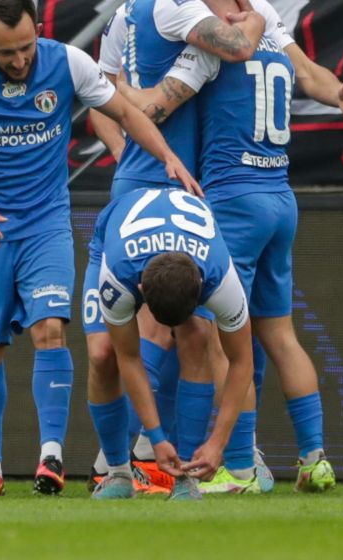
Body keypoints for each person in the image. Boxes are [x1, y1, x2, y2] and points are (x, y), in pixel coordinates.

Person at [0, 0, 198, 498]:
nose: (19, 60)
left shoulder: (69, 62)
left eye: (26, 47)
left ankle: (50, 458)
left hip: (46, 223)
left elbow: (126, 112)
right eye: (6, 52)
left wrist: (166, 156)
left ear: (38, 32)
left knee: (50, 329)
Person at [115, 0, 343, 493]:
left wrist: (114, 86)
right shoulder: (274, 45)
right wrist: (338, 94)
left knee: (222, 342)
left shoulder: (214, 51)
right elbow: (312, 75)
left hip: (233, 203)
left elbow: (152, 109)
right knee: (280, 334)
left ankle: (241, 467)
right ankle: (314, 458)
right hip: (280, 198)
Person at [79, 0, 266, 494]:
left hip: (146, 181)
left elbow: (107, 99)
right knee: (147, 338)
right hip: (161, 188)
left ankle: (155, 465)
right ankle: (130, 460)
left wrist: (132, 141)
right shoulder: (175, 4)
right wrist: (254, 19)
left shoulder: (127, 12)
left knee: (184, 335)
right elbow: (238, 46)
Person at [92, 187, 253, 501]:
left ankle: (187, 477)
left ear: (202, 291)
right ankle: (118, 473)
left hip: (193, 244)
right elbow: (129, 357)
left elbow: (242, 360)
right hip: (116, 232)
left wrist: (217, 443)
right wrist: (156, 437)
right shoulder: (117, 277)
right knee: (103, 355)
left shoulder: (221, 278)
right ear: (140, 290)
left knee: (198, 336)